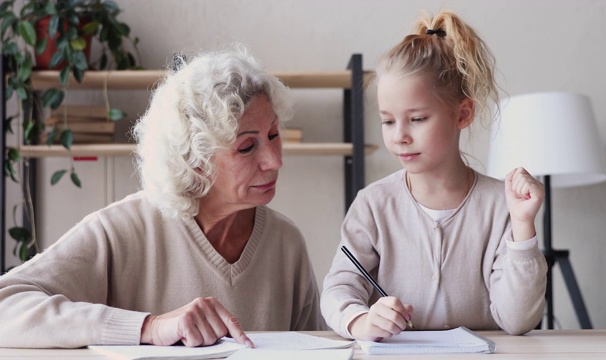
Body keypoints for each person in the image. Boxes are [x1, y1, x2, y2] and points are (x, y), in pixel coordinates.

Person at [0, 45, 325, 348]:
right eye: (247, 146)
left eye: (274, 134)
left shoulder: (287, 243)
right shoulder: (121, 231)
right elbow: (5, 306)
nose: (275, 160)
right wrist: (148, 327)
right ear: (195, 160)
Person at [321, 11, 547, 341]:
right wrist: (361, 320)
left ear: (463, 113)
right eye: (387, 121)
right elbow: (337, 289)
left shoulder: (501, 206)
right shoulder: (373, 204)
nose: (399, 136)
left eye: (417, 119)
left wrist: (523, 226)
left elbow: (518, 320)